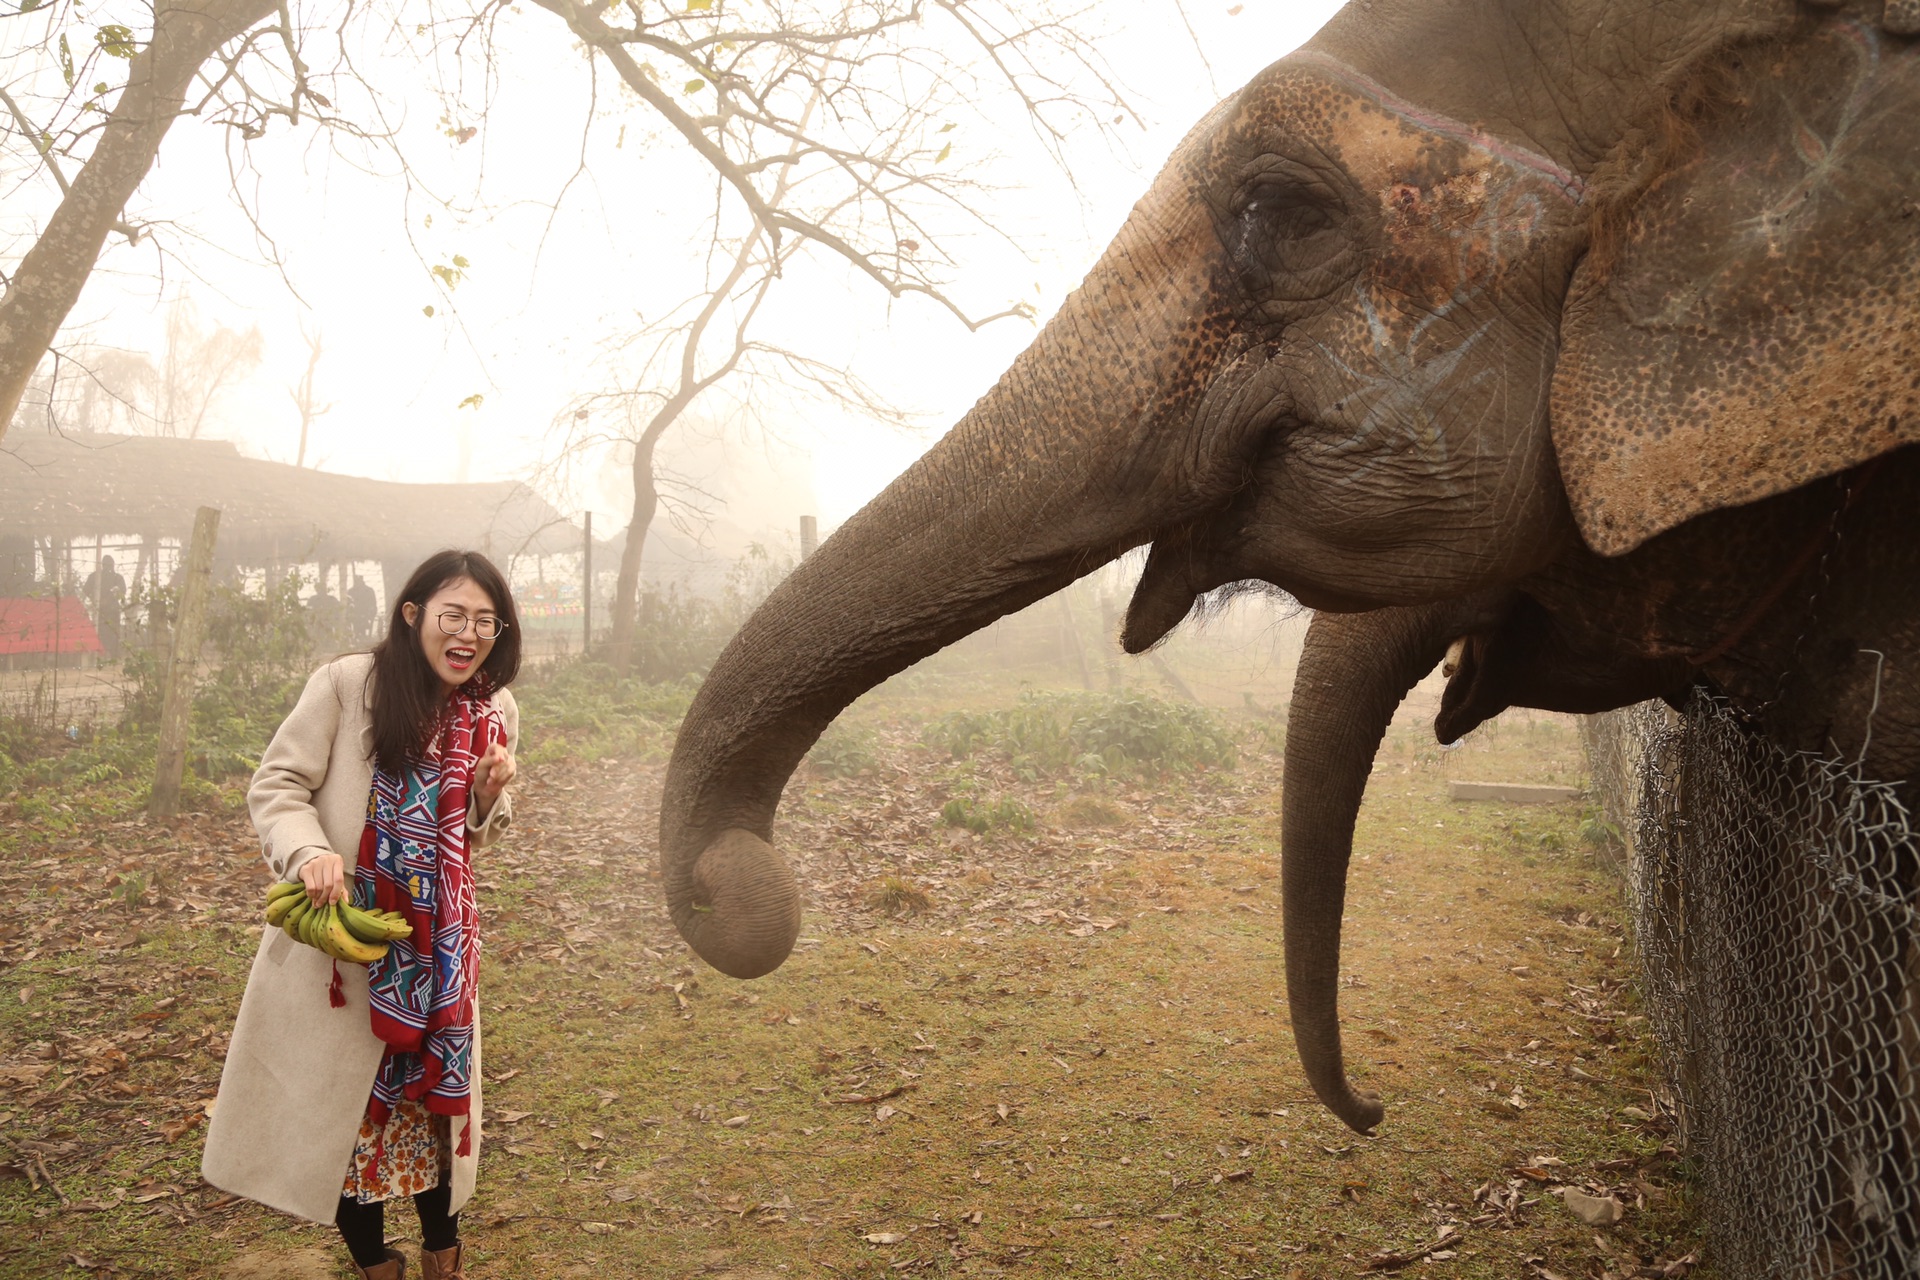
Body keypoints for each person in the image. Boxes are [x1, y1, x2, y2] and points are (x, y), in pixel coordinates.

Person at [203, 550, 522, 1280]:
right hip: (348, 939)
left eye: (484, 620)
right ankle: (376, 1262)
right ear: (412, 615)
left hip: (439, 948)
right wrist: (308, 851)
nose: (467, 633)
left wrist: (489, 791)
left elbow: (478, 830)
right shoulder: (348, 686)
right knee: (346, 1120)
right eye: (453, 614)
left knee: (435, 1113)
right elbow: (278, 784)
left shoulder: (495, 709)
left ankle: (445, 1257)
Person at [82, 554, 127, 658]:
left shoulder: (117, 578)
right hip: (100, 609)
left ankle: (113, 655)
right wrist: (95, 599)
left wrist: (110, 598)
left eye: (110, 565)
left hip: (112, 609)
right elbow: (86, 590)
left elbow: (122, 591)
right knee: (101, 632)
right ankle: (101, 654)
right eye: (106, 565)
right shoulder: (95, 576)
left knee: (113, 632)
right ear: (102, 565)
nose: (108, 567)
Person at [348, 573, 379, 644]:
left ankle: (361, 636)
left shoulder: (369, 590)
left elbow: (373, 604)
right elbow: (348, 604)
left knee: (360, 619)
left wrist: (369, 613)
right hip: (355, 614)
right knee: (356, 619)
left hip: (366, 614)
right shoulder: (351, 591)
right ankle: (358, 636)